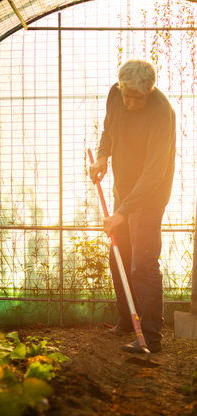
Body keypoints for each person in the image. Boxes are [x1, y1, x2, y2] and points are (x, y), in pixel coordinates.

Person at [89, 59, 176, 354]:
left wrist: (123, 213)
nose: (129, 102)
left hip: (149, 197)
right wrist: (102, 156)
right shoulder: (116, 95)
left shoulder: (162, 113)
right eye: (126, 94)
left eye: (136, 97)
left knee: (143, 263)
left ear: (149, 92)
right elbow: (109, 130)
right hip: (123, 192)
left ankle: (151, 335)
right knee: (119, 256)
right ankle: (127, 320)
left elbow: (154, 172)